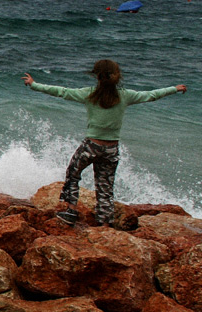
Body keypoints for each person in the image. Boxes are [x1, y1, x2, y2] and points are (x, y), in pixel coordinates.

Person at [22, 60, 187, 227]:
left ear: (97, 76)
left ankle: (71, 211)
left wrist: (34, 85)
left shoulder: (89, 94)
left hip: (91, 147)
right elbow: (151, 95)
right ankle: (104, 223)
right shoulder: (125, 95)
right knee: (105, 188)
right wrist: (174, 89)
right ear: (117, 76)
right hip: (111, 149)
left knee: (73, 174)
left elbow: (61, 92)